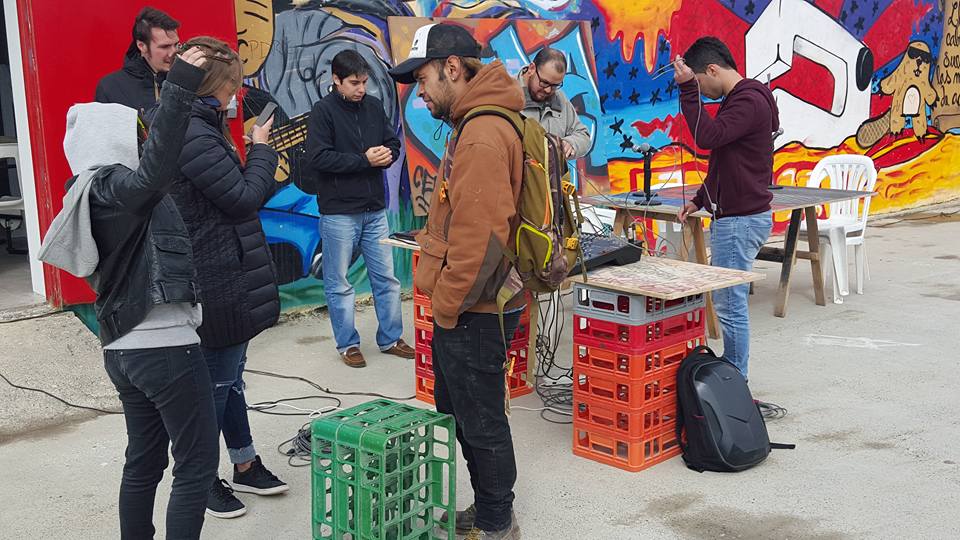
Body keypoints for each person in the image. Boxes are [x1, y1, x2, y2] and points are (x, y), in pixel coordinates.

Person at [39, 48, 215, 539]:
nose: (141, 139)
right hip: (164, 346)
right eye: (133, 132)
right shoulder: (115, 186)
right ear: (114, 139)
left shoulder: (86, 191)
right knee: (196, 465)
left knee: (144, 460)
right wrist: (180, 86)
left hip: (123, 349)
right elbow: (154, 173)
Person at [389, 23, 526, 540]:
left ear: (452, 68)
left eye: (422, 80)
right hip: (476, 303)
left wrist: (446, 303)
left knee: (481, 420)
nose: (419, 94)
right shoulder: (476, 122)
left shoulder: (483, 133)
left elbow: (482, 237)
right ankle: (492, 511)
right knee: (467, 413)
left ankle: (496, 523)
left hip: (476, 307)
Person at [167, 36, 287, 520]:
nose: (238, 95)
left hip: (227, 273)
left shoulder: (201, 124)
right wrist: (261, 150)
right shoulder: (192, 132)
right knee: (216, 386)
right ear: (216, 86)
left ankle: (245, 462)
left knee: (230, 378)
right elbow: (242, 198)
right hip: (214, 278)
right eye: (234, 85)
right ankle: (200, 479)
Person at [674, 36, 780, 380]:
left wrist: (687, 90)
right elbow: (724, 159)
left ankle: (736, 380)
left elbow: (707, 137)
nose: (702, 92)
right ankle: (734, 374)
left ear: (712, 70)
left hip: (740, 220)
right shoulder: (742, 99)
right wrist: (700, 200)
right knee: (729, 302)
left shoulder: (748, 101)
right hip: (736, 216)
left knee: (730, 305)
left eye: (700, 83)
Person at [305, 49, 412, 368]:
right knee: (339, 283)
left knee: (387, 279)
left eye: (364, 82)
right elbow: (318, 158)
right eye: (354, 83)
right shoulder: (322, 112)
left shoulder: (374, 106)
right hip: (338, 213)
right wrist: (363, 160)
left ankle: (391, 338)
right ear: (336, 80)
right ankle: (348, 344)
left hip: (375, 210)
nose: (361, 89)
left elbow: (393, 143)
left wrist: (388, 155)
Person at [96, 6, 181, 111]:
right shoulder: (110, 87)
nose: (173, 53)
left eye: (176, 45)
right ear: (142, 46)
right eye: (165, 47)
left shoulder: (186, 80)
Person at [518, 47, 591, 159]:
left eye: (555, 85)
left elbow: (583, 136)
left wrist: (571, 143)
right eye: (544, 82)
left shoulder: (560, 98)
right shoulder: (507, 95)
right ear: (532, 68)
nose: (548, 90)